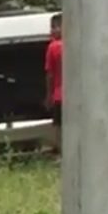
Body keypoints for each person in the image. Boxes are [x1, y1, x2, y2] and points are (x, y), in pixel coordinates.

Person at [45, 14, 63, 152]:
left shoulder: (53, 47)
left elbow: (50, 74)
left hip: (59, 94)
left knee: (58, 125)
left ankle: (60, 150)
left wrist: (48, 96)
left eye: (55, 27)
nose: (53, 30)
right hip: (75, 94)